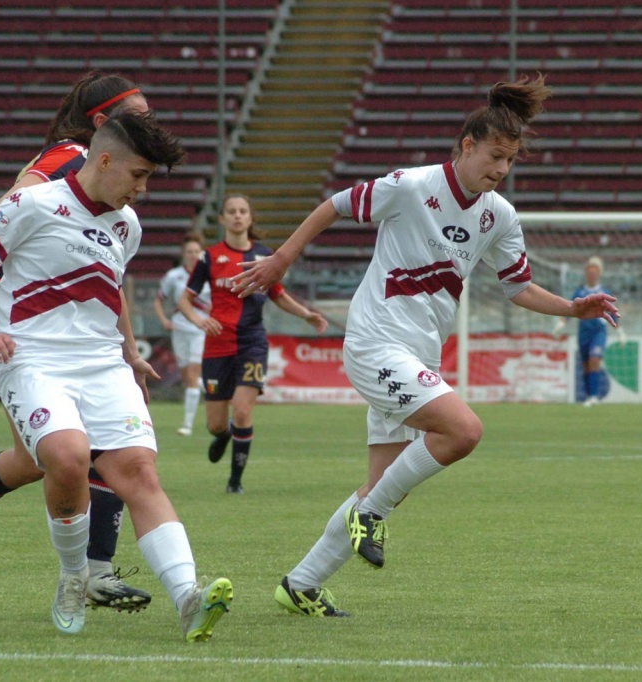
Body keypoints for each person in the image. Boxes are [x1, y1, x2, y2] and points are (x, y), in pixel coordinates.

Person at [233, 74, 619, 617]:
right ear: (467, 145)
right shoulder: (412, 185)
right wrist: (281, 260)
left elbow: (518, 287)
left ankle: (301, 583)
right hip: (375, 344)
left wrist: (573, 308)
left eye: (510, 161)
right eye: (495, 156)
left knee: (384, 484)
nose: (501, 170)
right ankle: (370, 519)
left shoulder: (498, 215)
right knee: (464, 430)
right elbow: (336, 205)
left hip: (419, 356)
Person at [0, 110, 233, 639]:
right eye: (139, 175)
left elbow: (110, 291)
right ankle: (73, 574)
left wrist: (130, 352)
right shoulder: (32, 203)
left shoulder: (127, 224)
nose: (143, 189)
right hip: (33, 357)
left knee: (139, 473)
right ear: (104, 160)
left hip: (103, 362)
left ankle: (188, 597)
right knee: (67, 456)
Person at [0, 71, 153, 612]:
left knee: (40, 457)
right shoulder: (71, 158)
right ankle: (93, 573)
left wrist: (128, 348)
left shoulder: (98, 169)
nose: (149, 123)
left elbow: (103, 276)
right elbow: (5, 219)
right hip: (20, 329)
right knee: (87, 446)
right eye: (138, 116)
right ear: (103, 125)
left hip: (62, 331)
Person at [177, 193, 328, 493]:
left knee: (243, 411)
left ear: (250, 218)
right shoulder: (209, 257)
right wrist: (198, 320)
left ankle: (235, 481)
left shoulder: (263, 256)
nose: (237, 216)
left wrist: (306, 314)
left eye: (242, 211)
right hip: (217, 346)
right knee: (215, 425)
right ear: (221, 219)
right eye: (231, 211)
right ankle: (224, 435)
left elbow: (278, 295)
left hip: (252, 343)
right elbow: (184, 299)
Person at [153, 230, 209, 436]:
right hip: (179, 329)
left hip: (199, 330)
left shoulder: (208, 275)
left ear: (201, 253)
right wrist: (164, 321)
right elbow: (158, 300)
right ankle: (213, 389)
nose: (193, 255)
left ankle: (187, 425)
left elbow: (215, 304)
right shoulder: (174, 276)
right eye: (189, 251)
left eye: (196, 251)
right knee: (187, 379)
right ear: (184, 254)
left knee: (192, 376)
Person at [553, 256, 625, 406]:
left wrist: (619, 331)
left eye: (594, 272)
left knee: (594, 359)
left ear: (598, 274)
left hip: (598, 331)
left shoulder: (604, 292)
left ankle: (593, 396)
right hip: (583, 331)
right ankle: (588, 396)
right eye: (589, 272)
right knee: (586, 363)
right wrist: (561, 323)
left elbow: (613, 312)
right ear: (586, 274)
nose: (592, 275)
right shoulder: (580, 292)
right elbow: (570, 309)